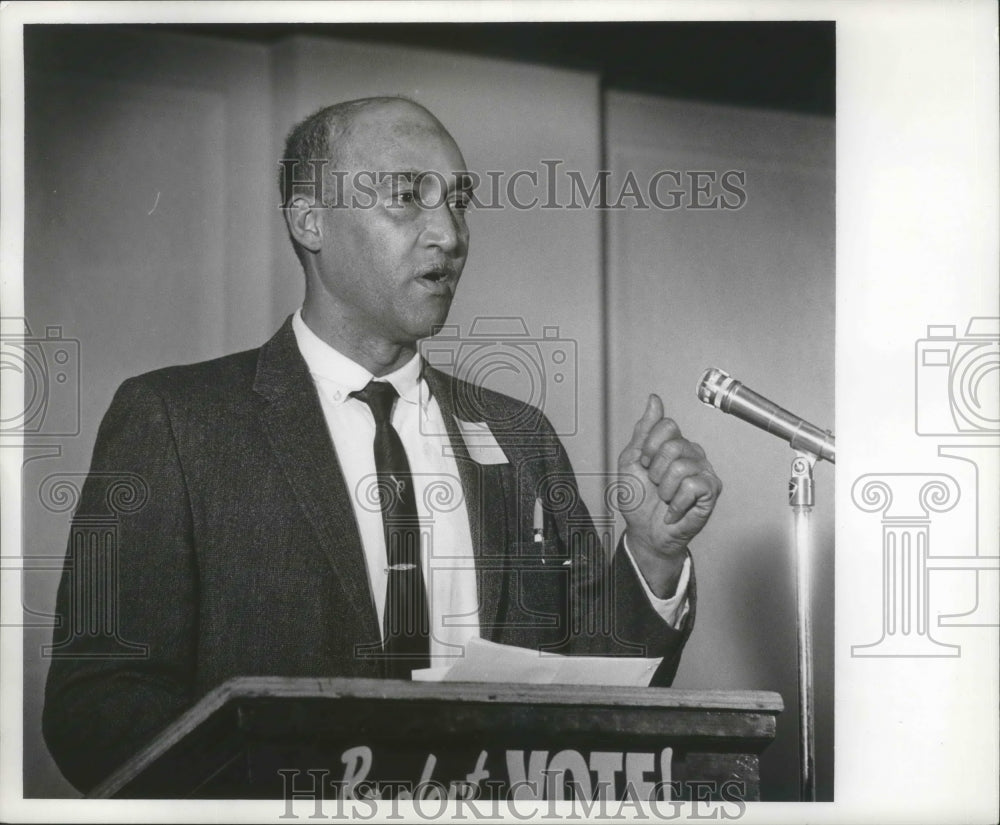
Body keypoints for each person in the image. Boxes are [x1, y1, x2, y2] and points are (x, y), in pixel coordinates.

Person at [42, 97, 722, 793]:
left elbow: (597, 707)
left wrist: (652, 553)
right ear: (310, 221)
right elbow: (95, 703)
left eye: (459, 201)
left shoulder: (523, 440)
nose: (451, 234)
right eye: (407, 196)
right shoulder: (176, 421)